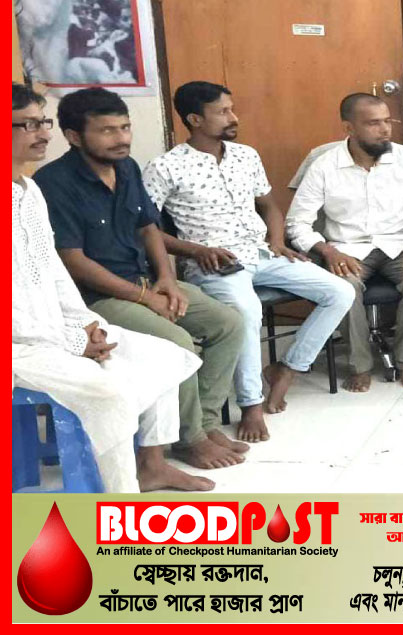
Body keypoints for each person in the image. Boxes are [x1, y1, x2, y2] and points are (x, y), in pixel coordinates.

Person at [31, 87, 246, 471]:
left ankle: (206, 421)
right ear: (74, 136)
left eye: (125, 127)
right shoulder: (53, 182)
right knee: (177, 341)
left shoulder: (127, 167)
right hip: (96, 298)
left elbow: (148, 228)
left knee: (228, 323)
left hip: (144, 281)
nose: (122, 138)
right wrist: (146, 298)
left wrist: (167, 280)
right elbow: (73, 261)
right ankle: (190, 439)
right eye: (107, 130)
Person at [144, 82, 355, 442]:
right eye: (222, 112)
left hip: (261, 253)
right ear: (195, 119)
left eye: (232, 108)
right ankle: (251, 403)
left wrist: (277, 242)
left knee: (340, 291)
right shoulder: (164, 167)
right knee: (247, 311)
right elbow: (145, 229)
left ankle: (288, 368)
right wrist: (194, 250)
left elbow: (269, 206)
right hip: (213, 262)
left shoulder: (246, 155)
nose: (234, 117)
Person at [286, 94, 403, 393]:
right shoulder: (324, 165)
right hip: (347, 248)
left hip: (400, 245)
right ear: (349, 128)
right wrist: (328, 251)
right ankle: (359, 365)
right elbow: (297, 223)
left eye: (387, 121)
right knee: (343, 288)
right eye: (374, 123)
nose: (385, 130)